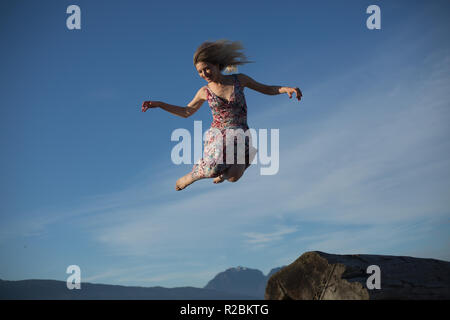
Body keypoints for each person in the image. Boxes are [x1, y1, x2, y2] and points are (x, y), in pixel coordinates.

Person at [142, 39, 302, 191]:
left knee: (233, 177)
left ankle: (243, 157)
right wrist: (160, 104)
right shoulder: (205, 91)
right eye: (199, 71)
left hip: (240, 133)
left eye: (207, 68)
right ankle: (191, 176)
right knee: (213, 169)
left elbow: (266, 89)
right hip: (218, 136)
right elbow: (186, 112)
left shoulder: (239, 80)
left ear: (217, 65)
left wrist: (285, 89)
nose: (204, 73)